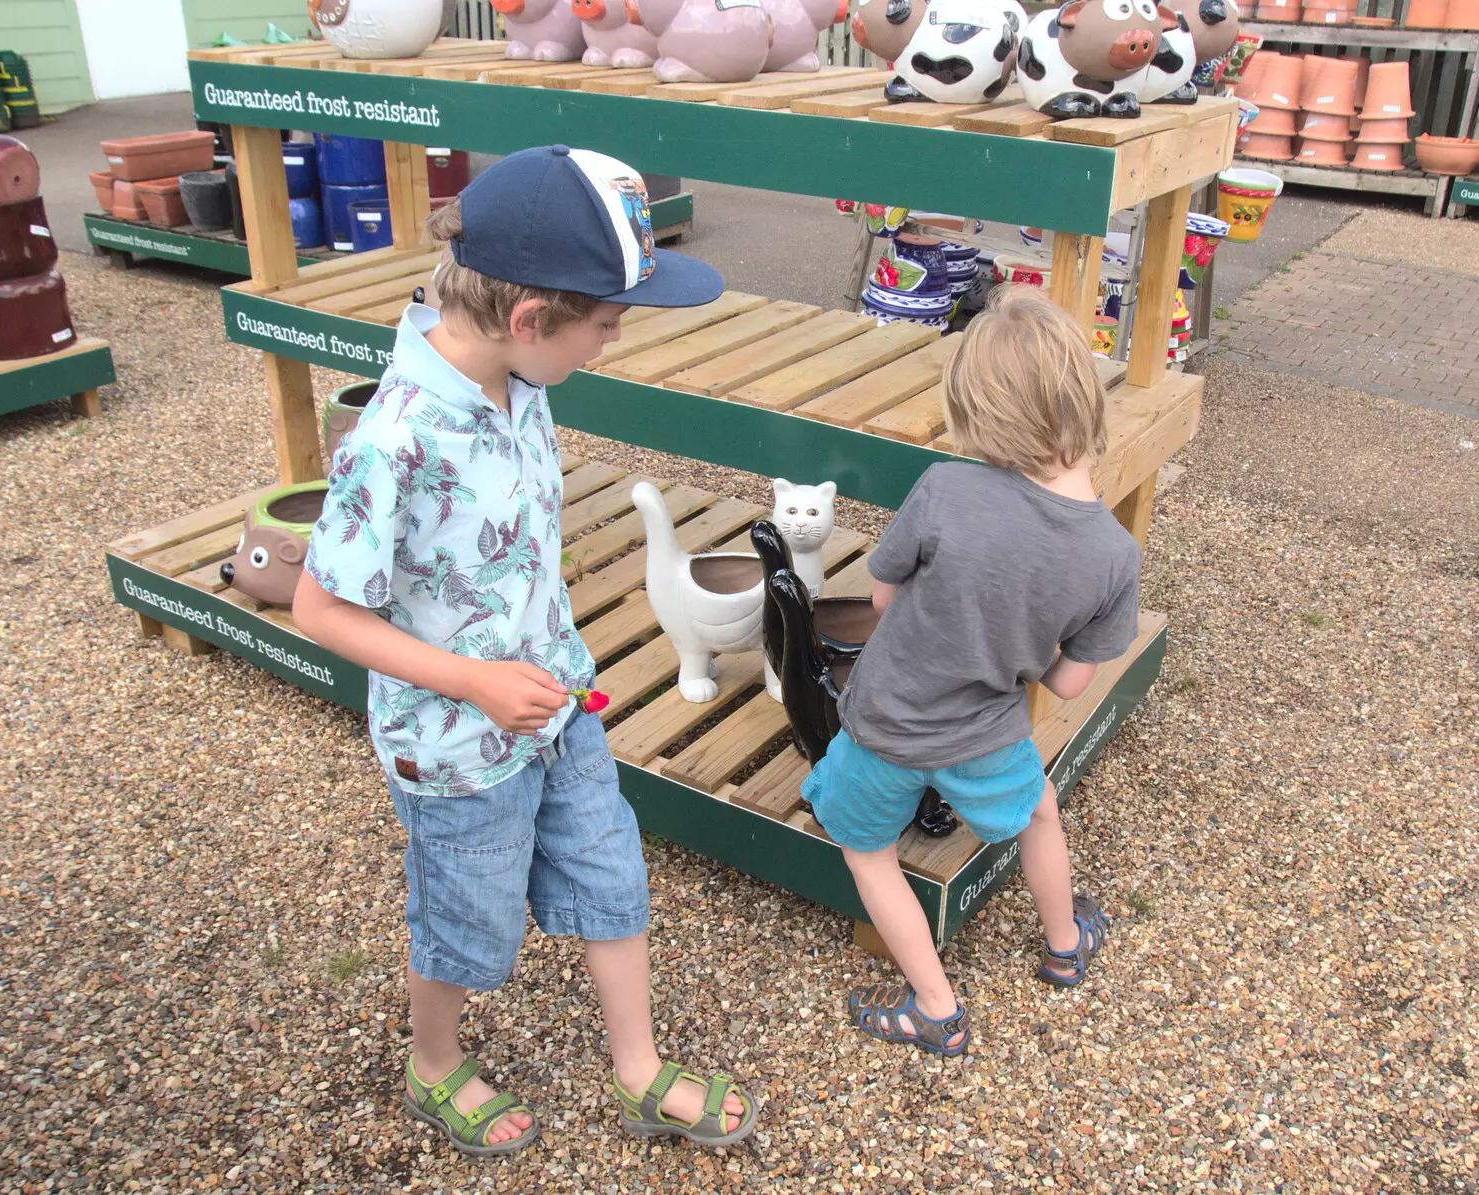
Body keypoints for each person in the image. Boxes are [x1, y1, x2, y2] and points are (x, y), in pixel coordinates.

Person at [292, 146, 758, 1156]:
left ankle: (637, 1068)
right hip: (456, 748)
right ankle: (433, 1058)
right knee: (467, 919)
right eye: (606, 320)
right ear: (528, 318)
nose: (616, 335)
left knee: (611, 875)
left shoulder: (518, 373)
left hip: (558, 707)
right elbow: (319, 611)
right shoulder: (395, 438)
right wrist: (472, 679)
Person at [801, 287, 1141, 1056]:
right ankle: (1063, 944)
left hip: (886, 719)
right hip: (985, 732)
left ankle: (935, 1005)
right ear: (1086, 399)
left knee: (869, 852)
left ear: (978, 410)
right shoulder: (1115, 556)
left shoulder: (947, 489)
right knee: (1039, 811)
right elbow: (1068, 684)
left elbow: (883, 597)